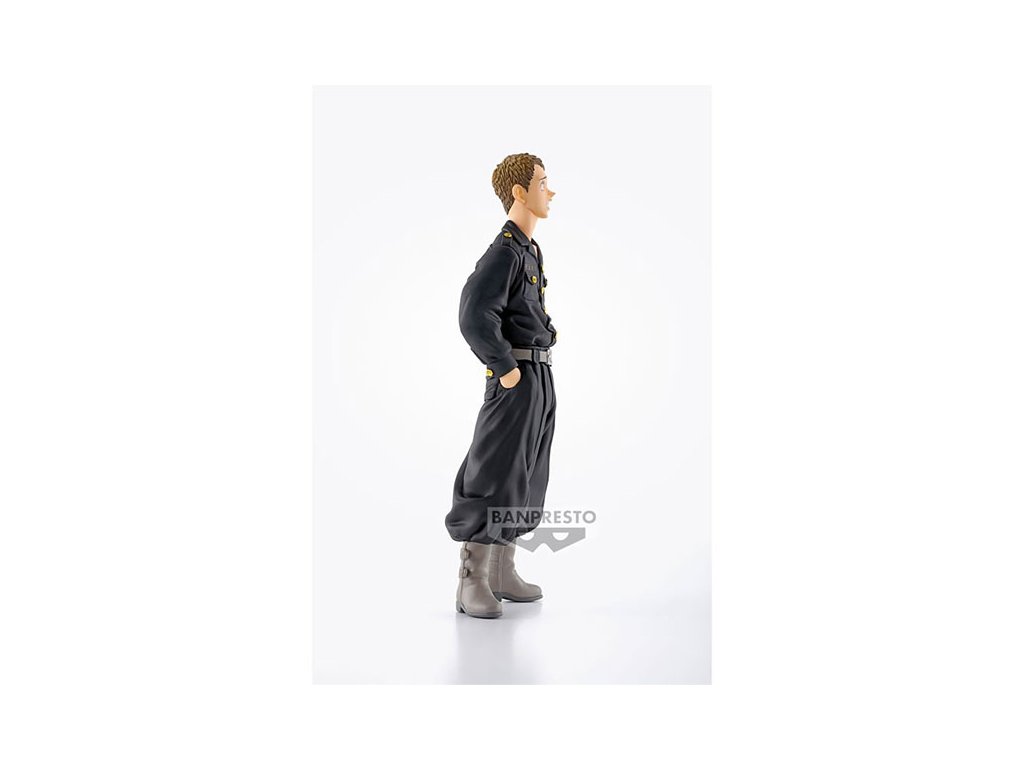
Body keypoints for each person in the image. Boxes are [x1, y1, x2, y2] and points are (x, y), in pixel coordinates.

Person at [445, 153, 559, 619]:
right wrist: (504, 367)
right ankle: (472, 579)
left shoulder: (529, 250)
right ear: (519, 192)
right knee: (493, 471)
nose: (550, 192)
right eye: (543, 183)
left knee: (525, 473)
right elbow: (474, 314)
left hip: (537, 376)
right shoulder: (505, 252)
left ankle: (501, 569)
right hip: (515, 377)